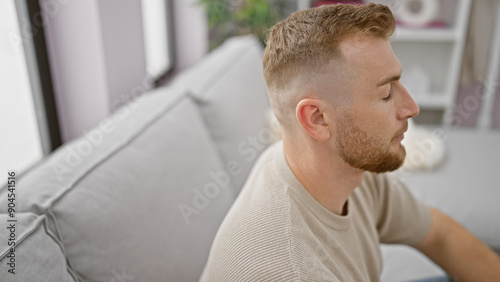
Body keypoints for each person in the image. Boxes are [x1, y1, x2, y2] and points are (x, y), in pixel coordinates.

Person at [200, 3, 500, 281]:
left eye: (399, 83)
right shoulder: (290, 270)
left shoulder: (347, 167)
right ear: (317, 118)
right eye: (385, 94)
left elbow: (438, 234)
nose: (411, 107)